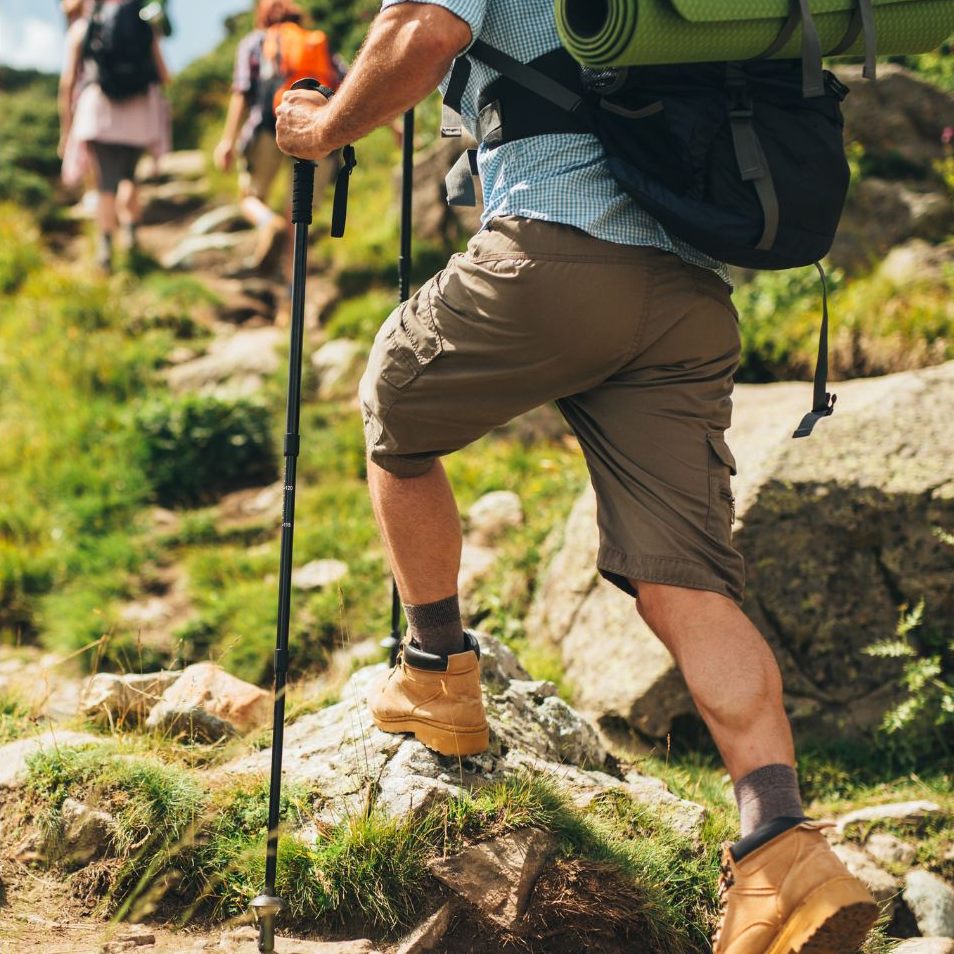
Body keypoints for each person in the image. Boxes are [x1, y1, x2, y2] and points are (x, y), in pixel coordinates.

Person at [275, 3, 880, 952]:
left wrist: (320, 127)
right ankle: (783, 852)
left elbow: (422, 33)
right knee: (686, 583)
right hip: (685, 299)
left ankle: (438, 672)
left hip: (556, 255)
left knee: (394, 400)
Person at [215, 0, 344, 277]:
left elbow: (241, 91)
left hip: (266, 127)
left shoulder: (255, 42)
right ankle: (290, 289)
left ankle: (266, 223)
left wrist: (228, 141)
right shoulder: (317, 42)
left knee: (249, 197)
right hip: (313, 130)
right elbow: (349, 85)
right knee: (297, 218)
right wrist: (394, 127)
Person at [60, 0, 171, 271]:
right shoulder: (144, 24)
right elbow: (164, 76)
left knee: (106, 184)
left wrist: (66, 131)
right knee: (129, 177)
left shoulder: (81, 28)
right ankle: (131, 237)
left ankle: (106, 250)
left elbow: (67, 84)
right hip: (138, 114)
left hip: (98, 112)